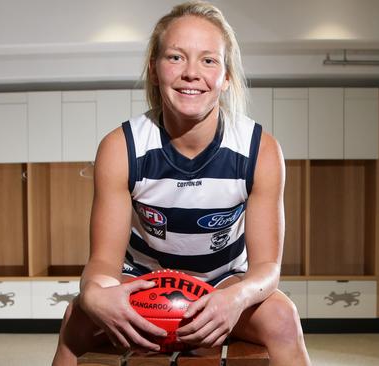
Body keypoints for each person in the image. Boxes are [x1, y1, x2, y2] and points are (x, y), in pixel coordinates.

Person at [52, 1, 311, 365]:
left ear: (226, 77)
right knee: (75, 320)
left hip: (223, 283)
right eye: (175, 57)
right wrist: (92, 296)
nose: (192, 73)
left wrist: (235, 300)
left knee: (283, 318)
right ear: (154, 71)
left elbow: (267, 268)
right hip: (145, 281)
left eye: (208, 60)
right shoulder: (121, 147)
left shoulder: (260, 149)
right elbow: (102, 264)